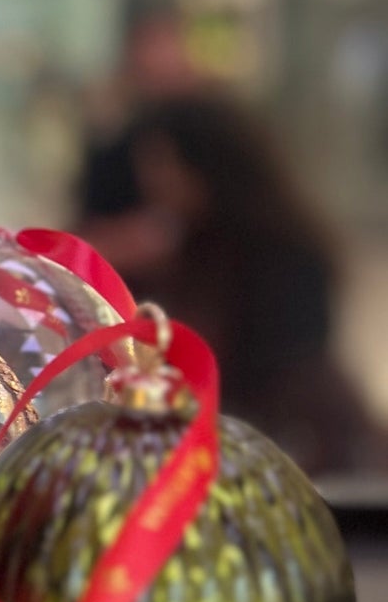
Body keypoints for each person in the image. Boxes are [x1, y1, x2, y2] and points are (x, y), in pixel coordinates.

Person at [75, 91, 385, 476]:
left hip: (287, 452)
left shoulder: (276, 254)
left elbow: (254, 373)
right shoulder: (187, 243)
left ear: (204, 165)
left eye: (161, 162)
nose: (152, 179)